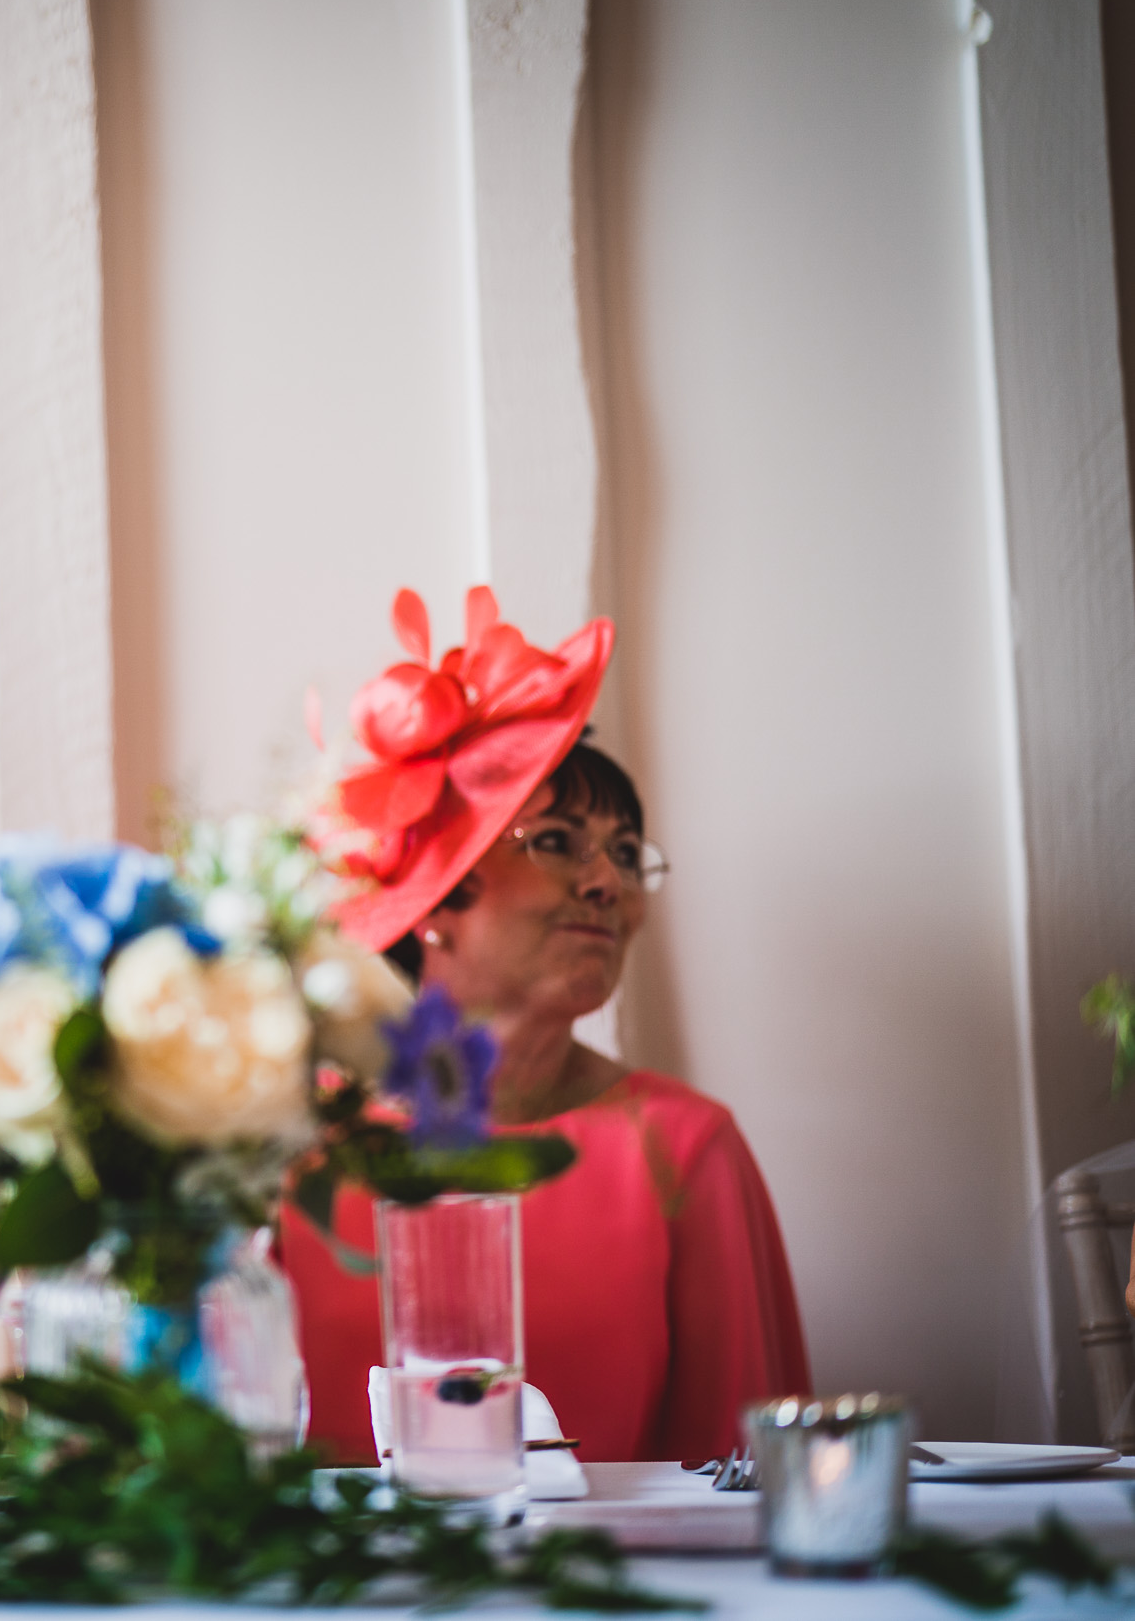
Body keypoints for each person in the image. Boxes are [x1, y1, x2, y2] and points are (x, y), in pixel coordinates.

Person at [281, 587, 809, 1467]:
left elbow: (746, 1479)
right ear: (436, 896)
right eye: (559, 840)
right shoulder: (283, 1146)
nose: (609, 881)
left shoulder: (686, 1146)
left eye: (628, 852)